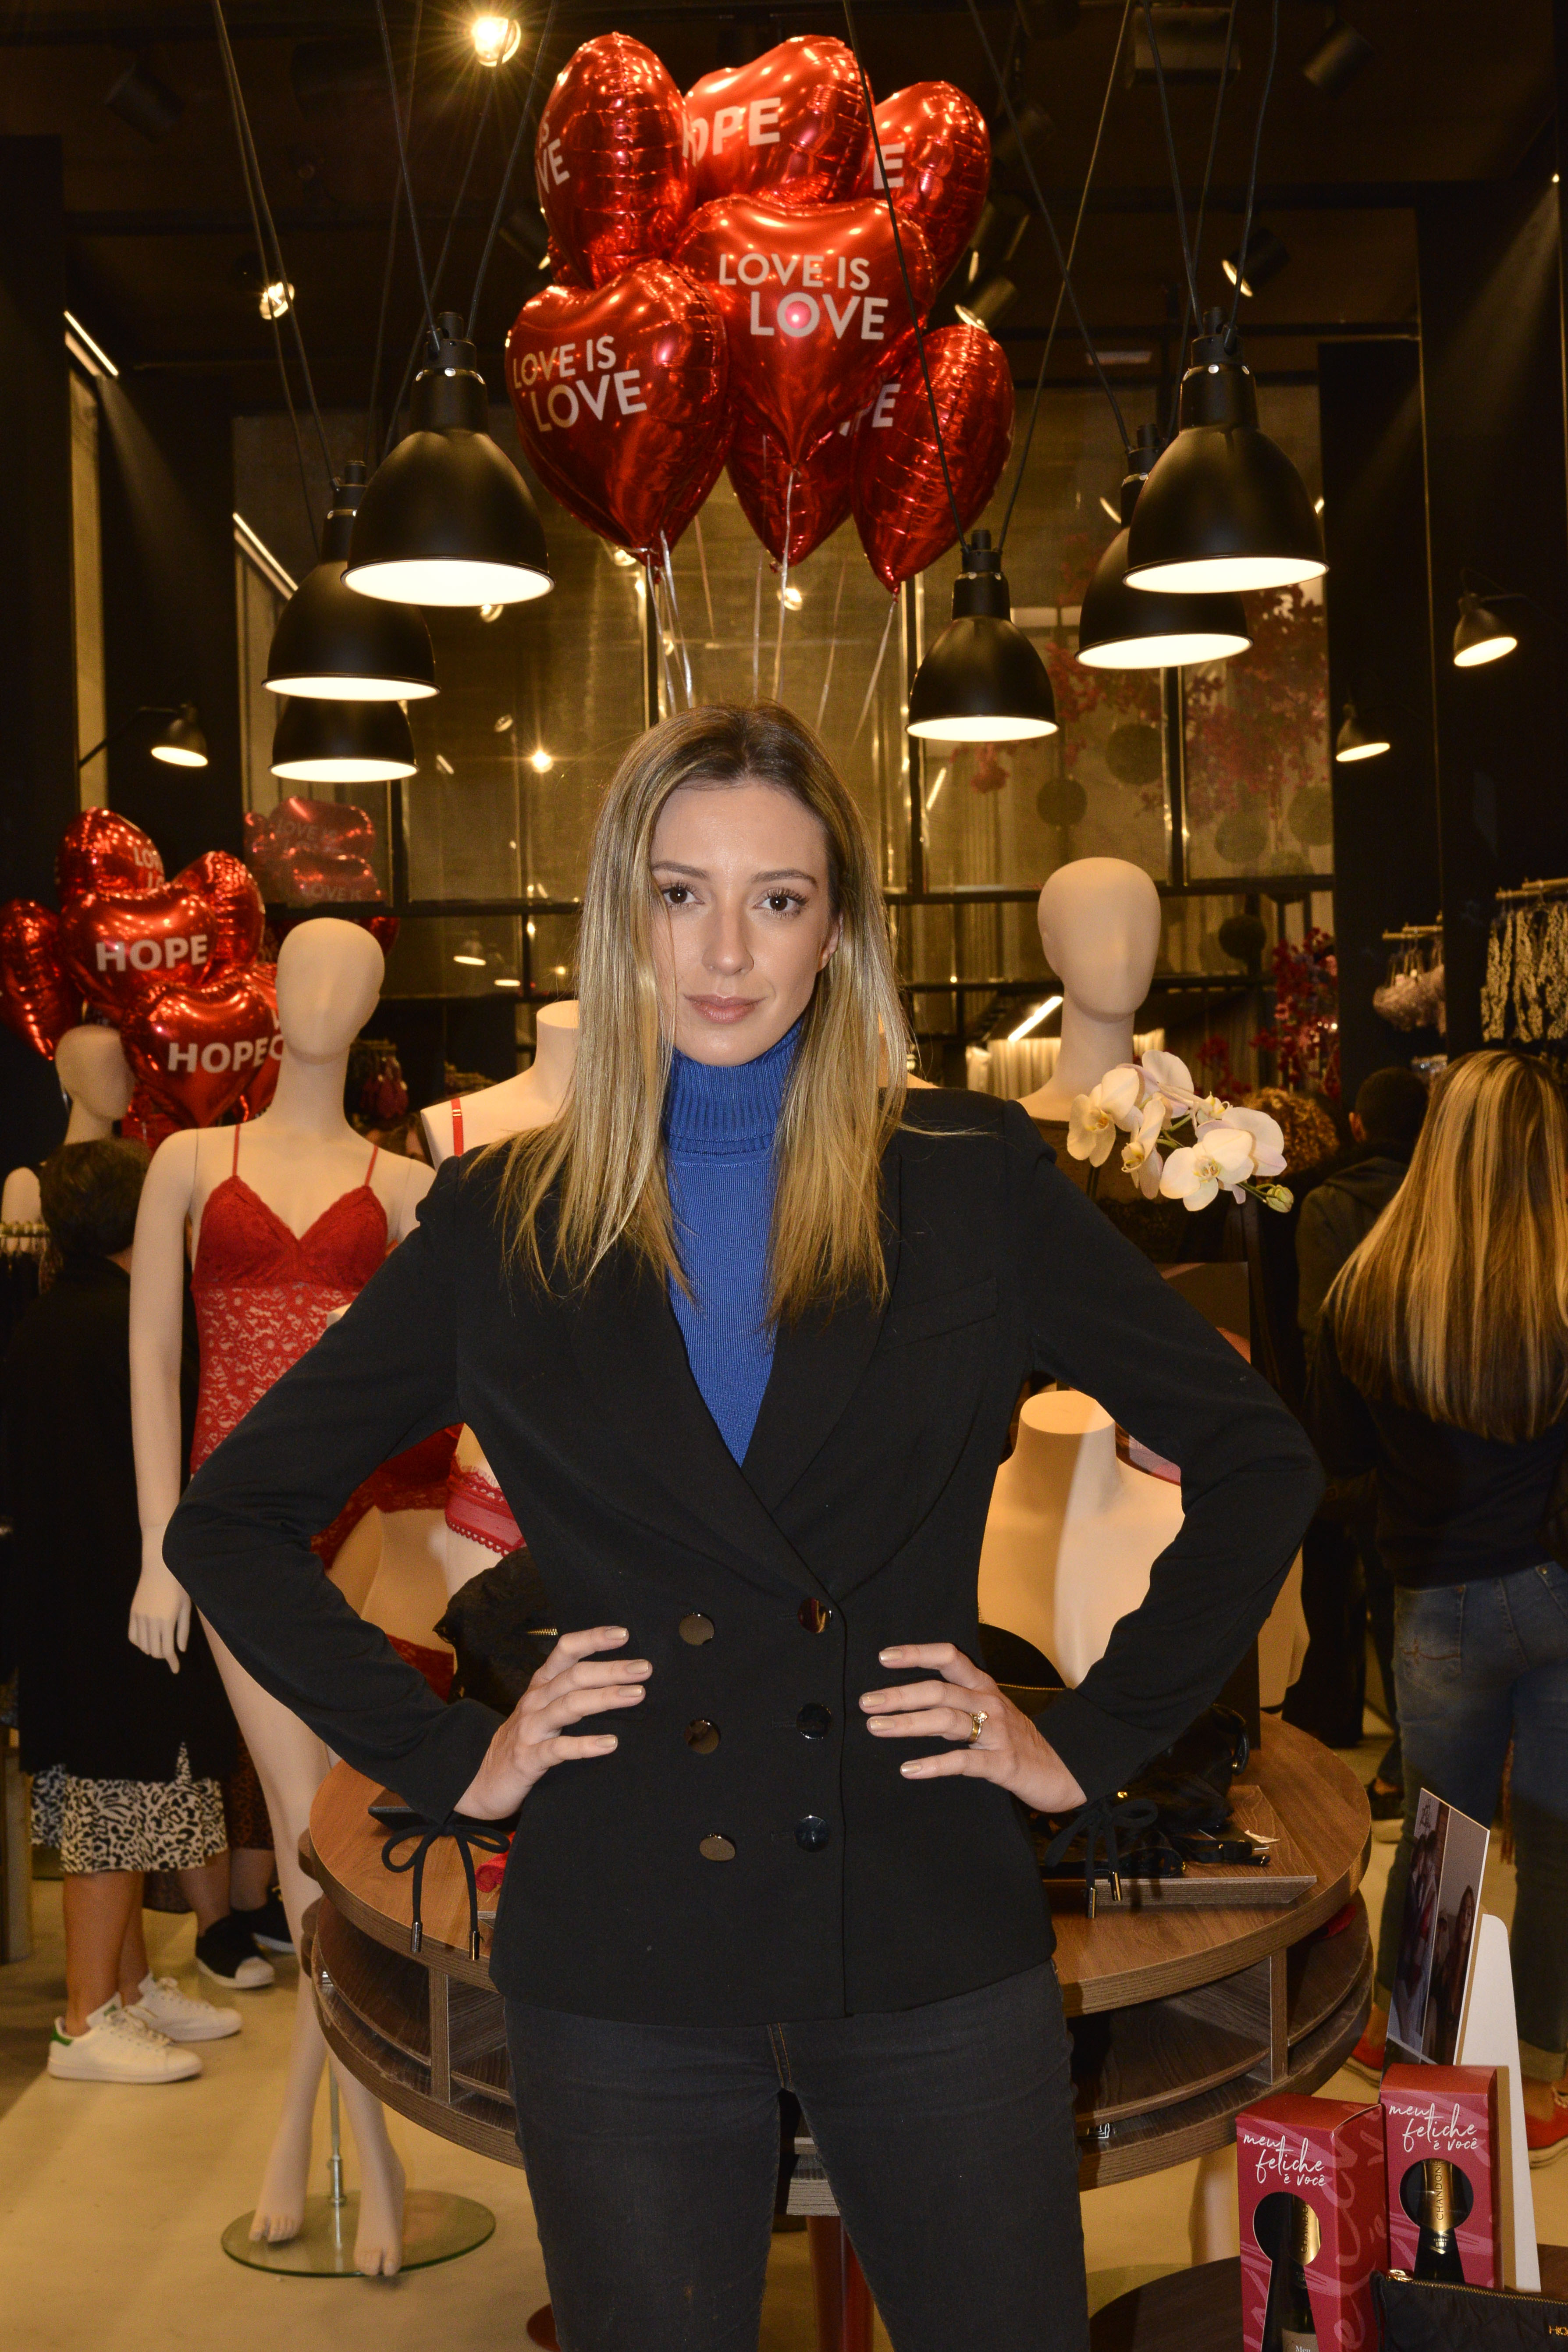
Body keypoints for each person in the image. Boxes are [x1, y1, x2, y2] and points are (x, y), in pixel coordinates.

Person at [164, 704, 1321, 2350]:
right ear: (619, 918)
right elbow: (232, 1517)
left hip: (926, 1914)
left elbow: (1255, 1454)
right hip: (624, 1942)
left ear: (834, 926)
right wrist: (450, 1755)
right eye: (679, 893)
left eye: (776, 898)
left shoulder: (965, 1181)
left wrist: (1087, 1738)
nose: (724, 951)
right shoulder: (504, 1221)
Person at [1308, 1051, 1568, 2160]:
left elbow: (1336, 1464)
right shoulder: (1560, 1285)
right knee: (1556, 1842)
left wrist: (1412, 1514)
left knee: (1438, 1844)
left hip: (1434, 1599)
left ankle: (1413, 2055)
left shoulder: (1365, 1288)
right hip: (1559, 1590)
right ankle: (1545, 2081)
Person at [3, 1140, 248, 2083]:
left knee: (117, 1796)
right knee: (118, 1800)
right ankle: (86, 2016)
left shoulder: (48, 1320)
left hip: (70, 1597)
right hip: (124, 1600)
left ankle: (128, 1989)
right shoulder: (132, 1321)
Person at [1296, 1064, 1429, 1832]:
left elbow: (1320, 1334)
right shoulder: (1447, 1195)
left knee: (1387, 1596)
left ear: (1355, 1125)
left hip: (1373, 1435)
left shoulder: (1327, 1204)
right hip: (1454, 1423)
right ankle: (1414, 1763)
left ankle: (1411, 1767)